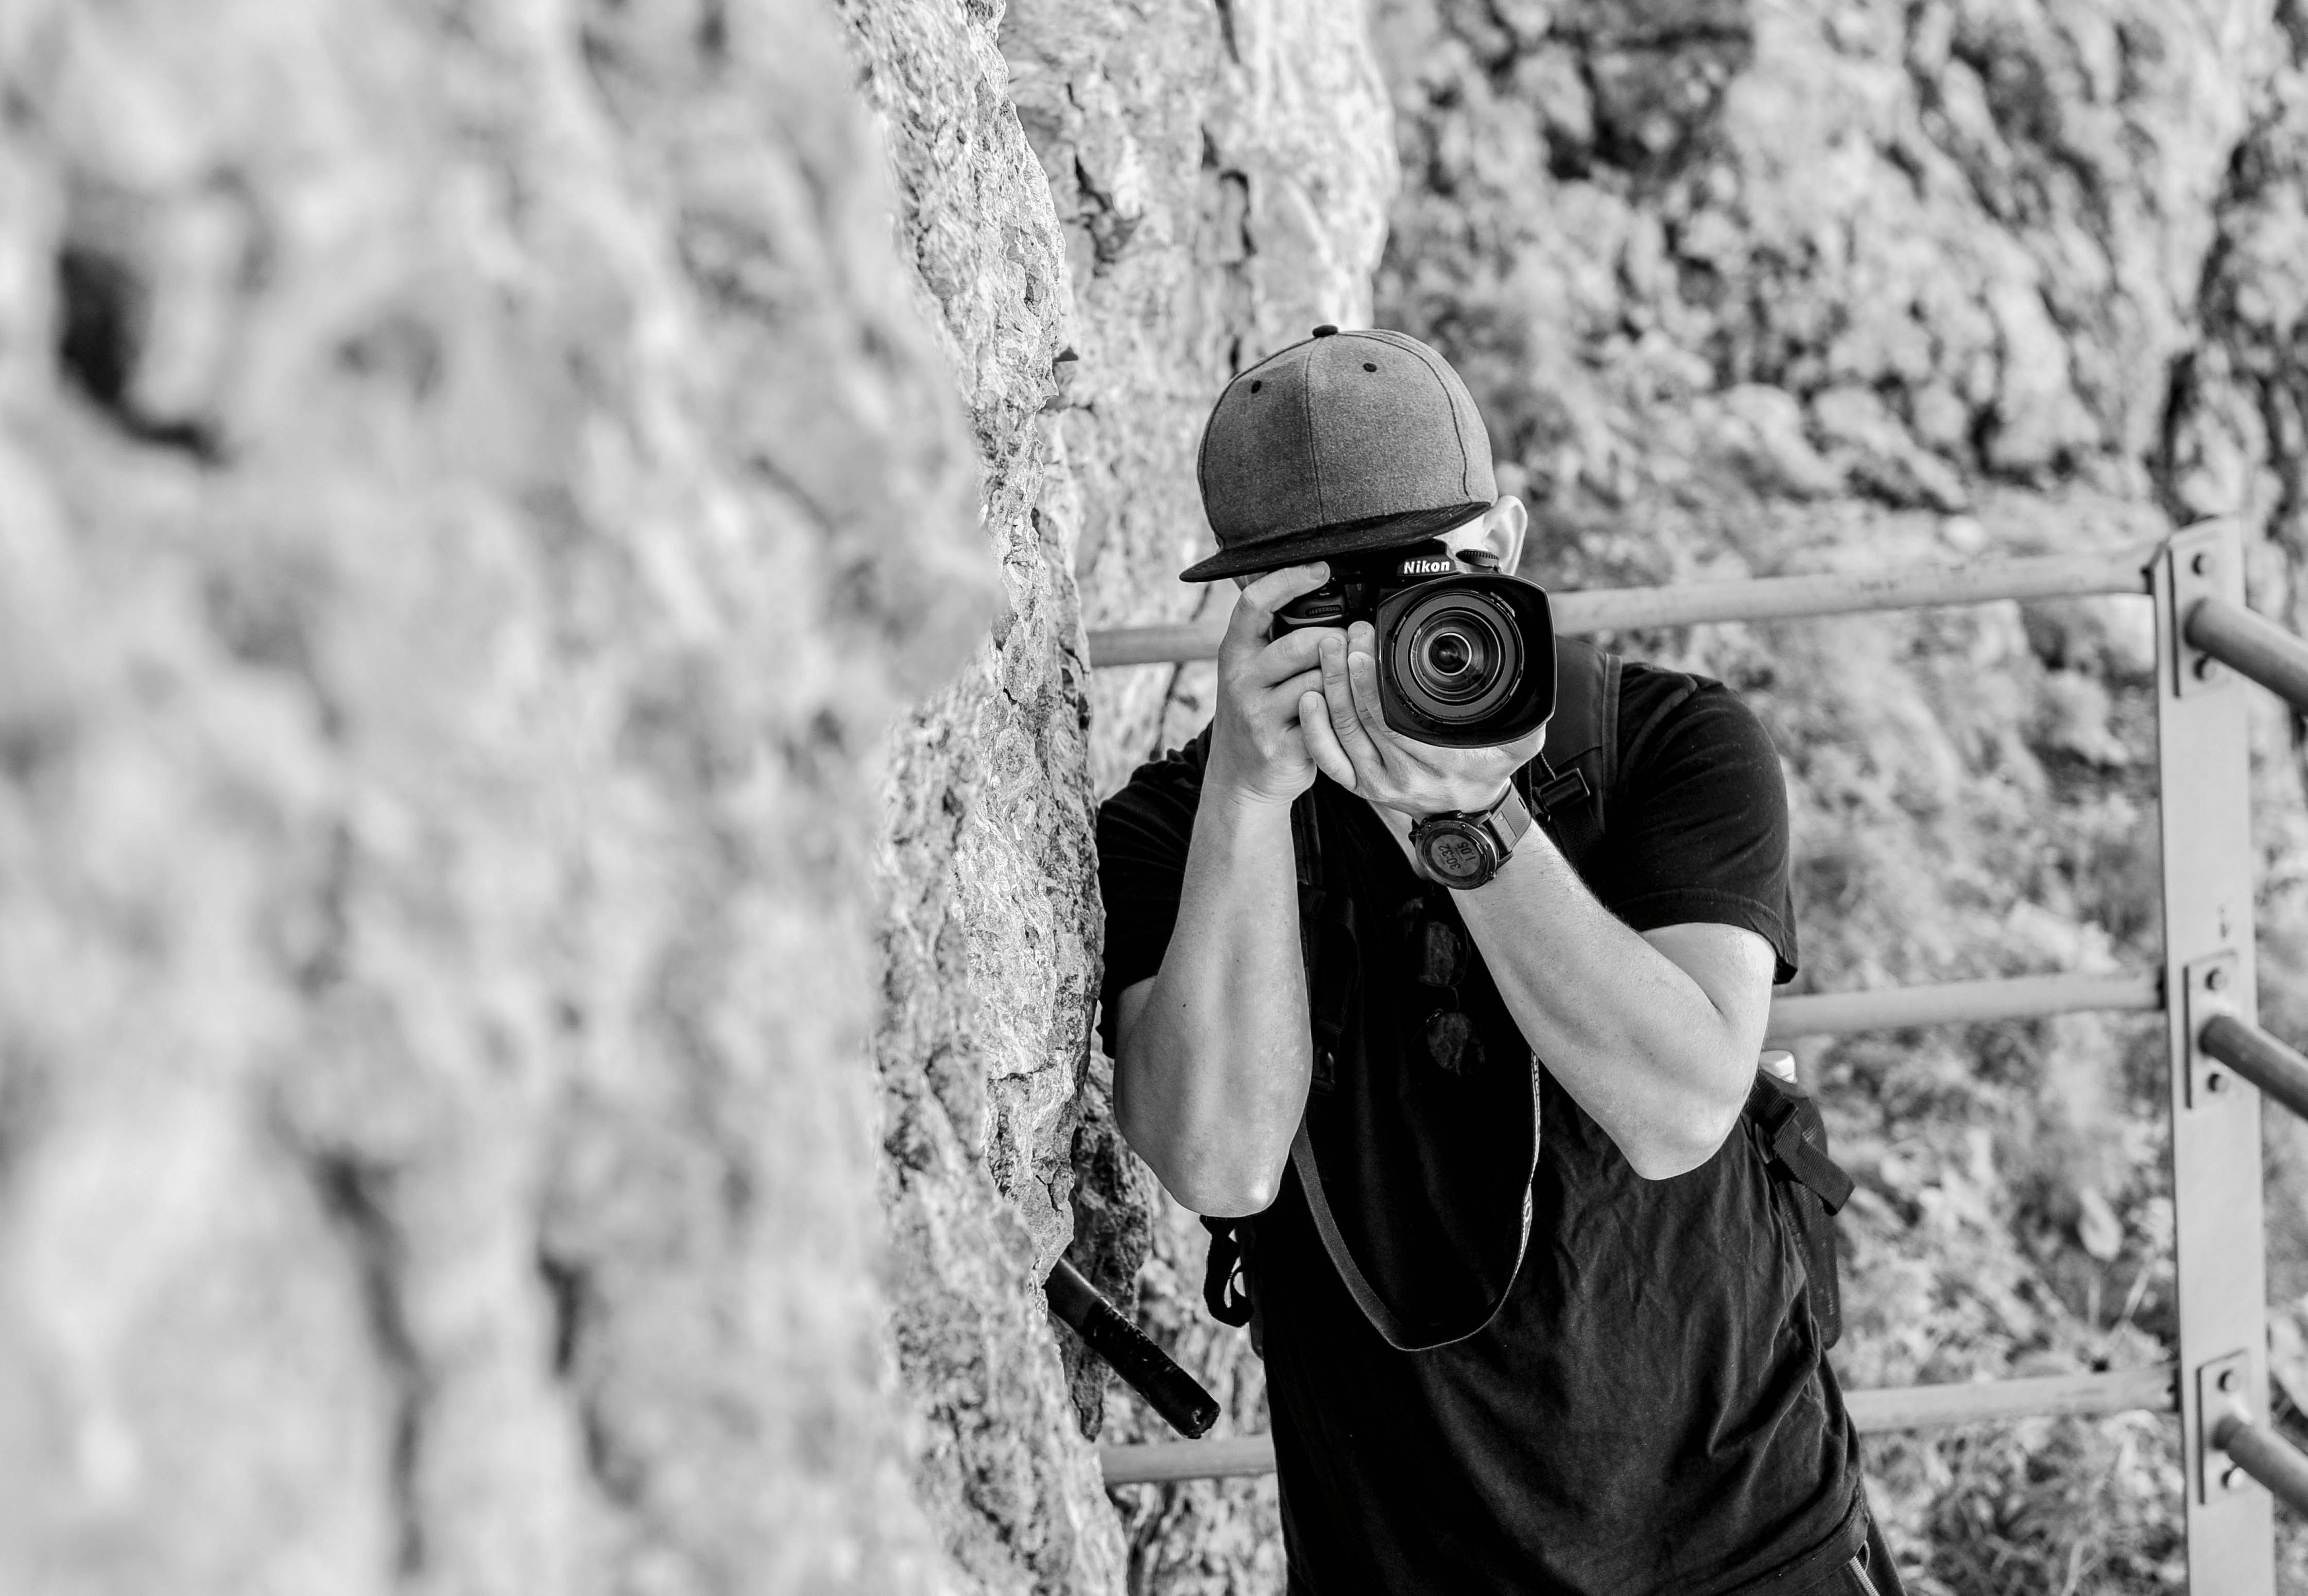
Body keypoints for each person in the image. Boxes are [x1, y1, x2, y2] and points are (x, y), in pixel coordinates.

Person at [1095, 325, 1901, 1595]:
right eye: (1324, 604)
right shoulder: (1179, 833)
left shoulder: (1671, 747)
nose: (1379, 644)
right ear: (1242, 614)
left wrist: (1471, 818)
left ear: (1506, 548)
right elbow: (1218, 1158)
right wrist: (1250, 799)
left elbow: (1682, 1106)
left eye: (1424, 585)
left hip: (1747, 1546)